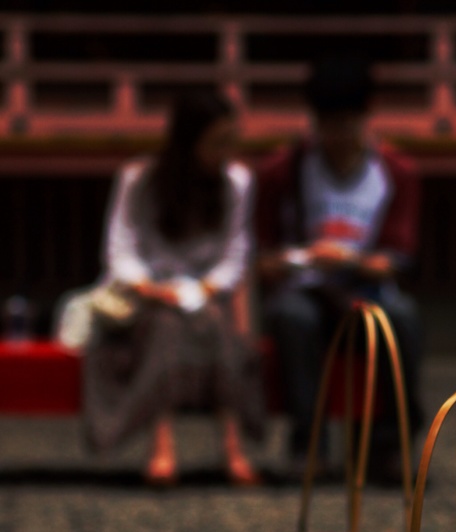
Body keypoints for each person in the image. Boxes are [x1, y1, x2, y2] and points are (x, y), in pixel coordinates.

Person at [256, 55, 423, 483]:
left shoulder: (394, 171)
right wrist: (294, 261)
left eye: (347, 123)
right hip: (305, 289)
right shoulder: (285, 169)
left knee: (401, 317)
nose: (337, 135)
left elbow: (395, 260)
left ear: (365, 119)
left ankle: (387, 444)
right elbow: (264, 254)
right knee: (292, 317)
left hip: (364, 289)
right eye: (328, 124)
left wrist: (348, 259)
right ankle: (308, 444)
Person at [83, 90, 262, 486]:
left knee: (214, 324)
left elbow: (235, 255)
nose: (225, 151)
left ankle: (232, 445)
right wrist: (151, 289)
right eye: (217, 142)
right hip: (150, 297)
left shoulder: (237, 181)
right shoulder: (139, 180)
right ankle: (162, 444)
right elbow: (120, 250)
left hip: (206, 295)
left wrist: (206, 289)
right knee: (167, 328)